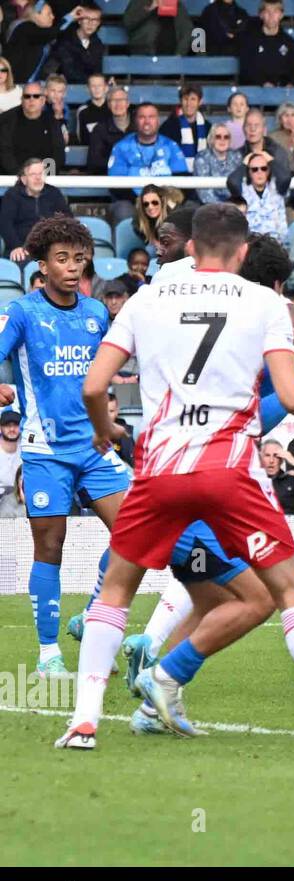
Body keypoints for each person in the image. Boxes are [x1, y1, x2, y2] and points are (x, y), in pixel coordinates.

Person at [61, 202, 294, 752]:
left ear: (191, 248)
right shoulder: (264, 301)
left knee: (116, 593)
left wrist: (104, 431)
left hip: (159, 473)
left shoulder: (146, 299)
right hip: (228, 472)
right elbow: (292, 397)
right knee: (289, 590)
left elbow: (91, 388)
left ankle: (83, 723)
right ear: (243, 252)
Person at [0, 215, 128, 676]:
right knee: (50, 547)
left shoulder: (95, 313)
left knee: (135, 534)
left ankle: (93, 618)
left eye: (79, 258)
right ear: (42, 265)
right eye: (62, 259)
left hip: (93, 448)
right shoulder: (23, 313)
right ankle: (49, 653)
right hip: (45, 450)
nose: (72, 268)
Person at [105, 101, 187, 223]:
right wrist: (143, 201)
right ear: (135, 121)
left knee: (186, 209)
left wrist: (161, 201)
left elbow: (182, 178)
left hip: (165, 200)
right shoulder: (122, 147)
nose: (147, 121)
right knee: (122, 210)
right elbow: (116, 185)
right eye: (142, 117)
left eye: (151, 117)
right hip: (133, 202)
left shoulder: (170, 146)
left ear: (158, 121)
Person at [0, 157, 71, 258]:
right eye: (33, 174)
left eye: (41, 174)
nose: (38, 178)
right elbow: (5, 224)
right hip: (22, 249)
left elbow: (67, 220)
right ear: (24, 179)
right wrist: (16, 246)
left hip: (51, 249)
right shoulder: (12, 196)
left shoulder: (54, 193)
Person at [0, 82, 65, 175]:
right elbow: (5, 153)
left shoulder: (52, 122)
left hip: (44, 178)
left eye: (36, 96)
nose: (31, 100)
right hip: (12, 178)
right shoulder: (6, 120)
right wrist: (21, 176)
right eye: (27, 96)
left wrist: (42, 175)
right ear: (21, 100)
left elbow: (58, 153)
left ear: (43, 100)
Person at [239, 0, 294, 88]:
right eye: (267, 11)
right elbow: (245, 70)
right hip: (256, 93)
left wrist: (291, 85)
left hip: (282, 94)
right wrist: (262, 83)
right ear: (261, 15)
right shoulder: (250, 42)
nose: (271, 16)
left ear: (281, 15)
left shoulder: (290, 43)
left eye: (275, 11)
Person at [46, 3, 105, 84]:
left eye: (94, 20)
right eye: (86, 19)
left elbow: (97, 72)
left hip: (89, 87)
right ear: (79, 21)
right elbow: (69, 73)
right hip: (64, 88)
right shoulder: (65, 41)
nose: (90, 23)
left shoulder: (97, 44)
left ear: (99, 23)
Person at [158, 85, 209, 173]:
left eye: (193, 99)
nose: (189, 103)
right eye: (185, 99)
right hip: (176, 176)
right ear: (181, 101)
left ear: (200, 102)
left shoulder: (207, 127)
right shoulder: (168, 126)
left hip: (202, 177)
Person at [0, 408, 23, 517]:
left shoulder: (26, 447)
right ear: (0, 428)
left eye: (16, 425)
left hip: (20, 498)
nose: (12, 429)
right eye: (7, 425)